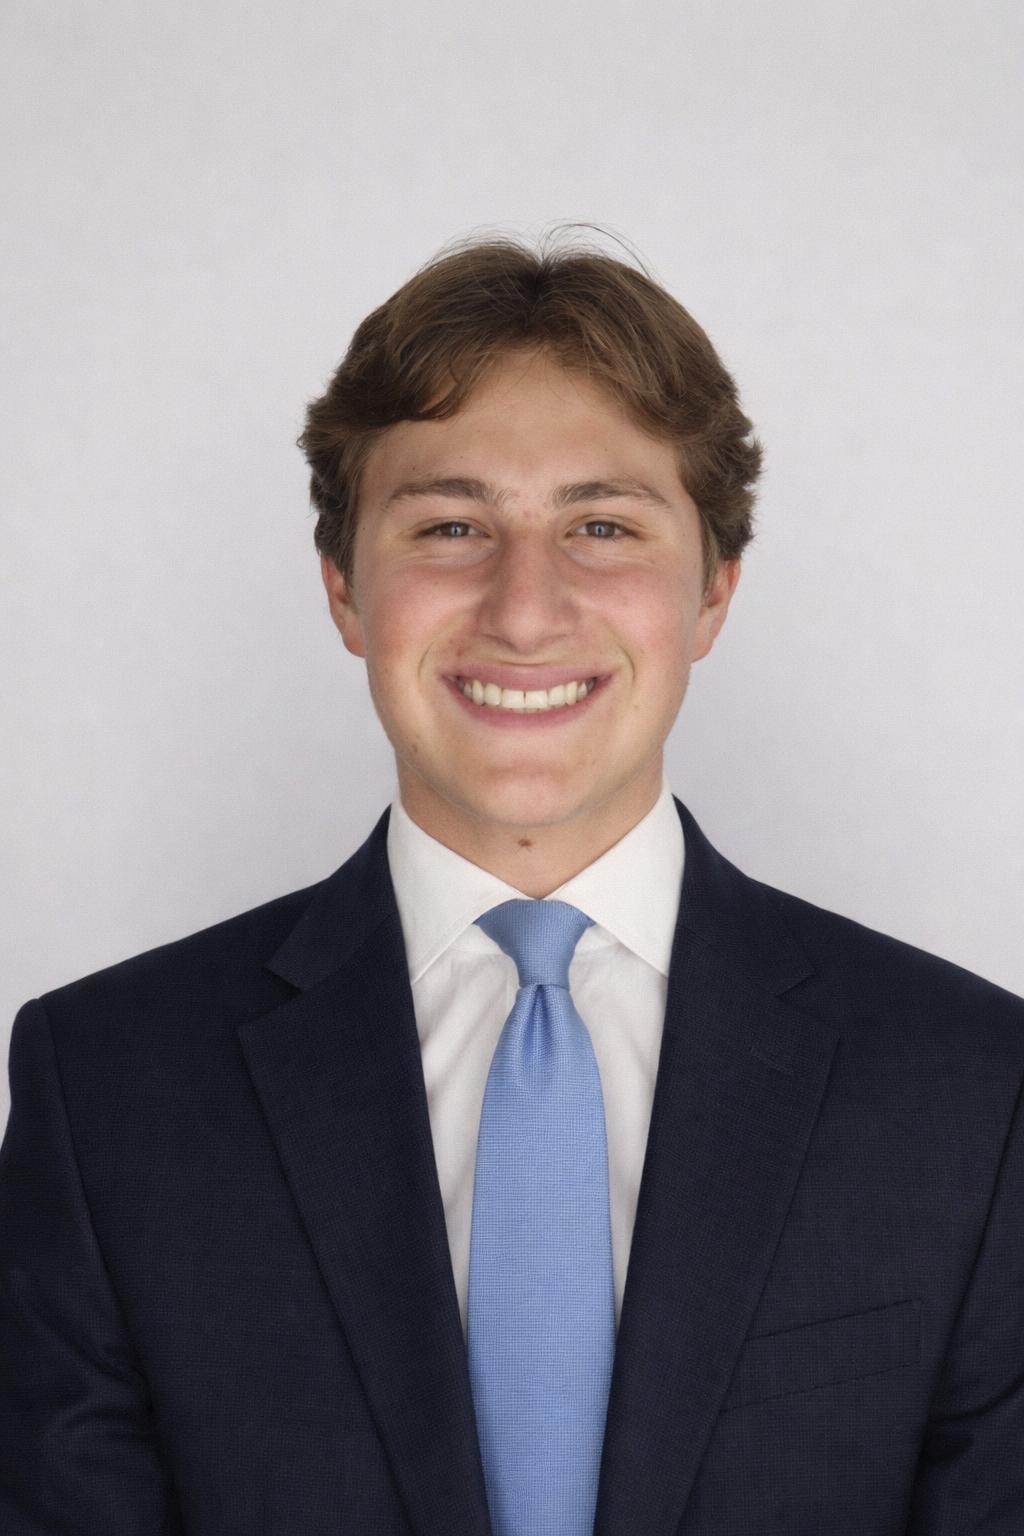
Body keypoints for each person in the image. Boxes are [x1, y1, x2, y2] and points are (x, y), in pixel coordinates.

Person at [2, 234, 1022, 1536]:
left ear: (713, 592)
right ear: (344, 590)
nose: (525, 610)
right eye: (451, 526)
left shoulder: (972, 1088)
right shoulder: (108, 1089)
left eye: (601, 526)